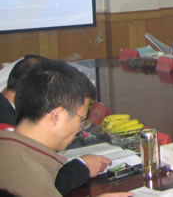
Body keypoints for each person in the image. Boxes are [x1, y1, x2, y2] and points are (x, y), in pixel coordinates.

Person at [0, 59, 131, 197]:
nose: (80, 129)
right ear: (57, 116)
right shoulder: (32, 180)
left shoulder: (8, 145)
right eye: (81, 119)